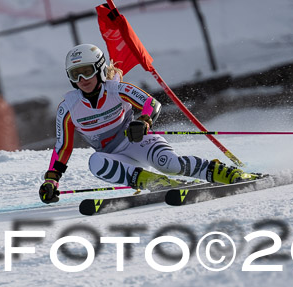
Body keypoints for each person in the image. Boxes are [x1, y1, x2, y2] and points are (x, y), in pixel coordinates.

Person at [39, 44, 250, 204]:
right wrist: (52, 180)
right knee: (95, 162)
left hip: (137, 143)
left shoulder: (116, 89)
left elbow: (151, 103)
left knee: (169, 163)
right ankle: (156, 183)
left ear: (100, 69)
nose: (83, 78)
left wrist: (143, 120)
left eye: (87, 71)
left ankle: (220, 172)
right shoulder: (69, 108)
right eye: (76, 74)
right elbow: (63, 148)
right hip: (114, 156)